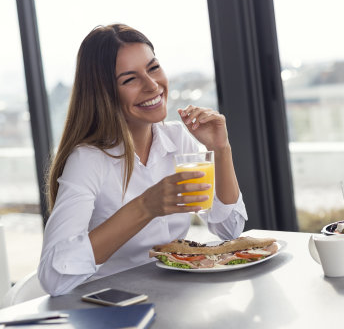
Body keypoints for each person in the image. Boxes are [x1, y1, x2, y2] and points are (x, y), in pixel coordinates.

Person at [38, 24, 247, 296]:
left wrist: (221, 148)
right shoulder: (88, 160)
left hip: (176, 298)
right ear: (104, 93)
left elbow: (229, 229)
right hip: (113, 311)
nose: (152, 85)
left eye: (153, 68)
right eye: (130, 79)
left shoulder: (177, 139)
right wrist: (145, 207)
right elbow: (53, 278)